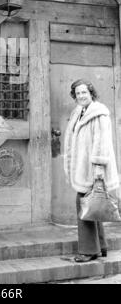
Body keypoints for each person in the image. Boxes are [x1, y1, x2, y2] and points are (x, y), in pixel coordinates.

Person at [64, 79, 119, 262]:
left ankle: (88, 251)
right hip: (83, 168)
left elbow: (102, 144)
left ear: (91, 93)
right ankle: (100, 246)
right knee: (92, 205)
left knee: (84, 205)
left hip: (93, 170)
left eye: (84, 93)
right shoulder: (79, 112)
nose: (81, 96)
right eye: (78, 93)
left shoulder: (99, 114)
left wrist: (98, 170)